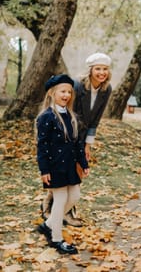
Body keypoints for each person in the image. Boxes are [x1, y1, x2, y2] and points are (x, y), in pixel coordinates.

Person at [41, 53, 112, 226]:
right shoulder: (79, 86)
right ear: (91, 70)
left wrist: (88, 144)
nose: (101, 73)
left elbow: (96, 119)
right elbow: (71, 112)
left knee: (78, 171)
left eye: (105, 69)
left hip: (83, 135)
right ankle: (56, 210)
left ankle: (57, 208)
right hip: (68, 132)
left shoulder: (106, 89)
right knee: (66, 172)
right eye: (98, 69)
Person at [36, 74, 90, 254]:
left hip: (69, 165)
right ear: (52, 93)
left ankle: (49, 223)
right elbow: (41, 146)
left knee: (74, 196)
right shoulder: (46, 117)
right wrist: (44, 169)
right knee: (59, 200)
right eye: (62, 91)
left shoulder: (71, 116)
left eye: (69, 92)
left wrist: (83, 163)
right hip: (54, 166)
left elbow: (77, 143)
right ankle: (56, 239)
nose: (66, 95)